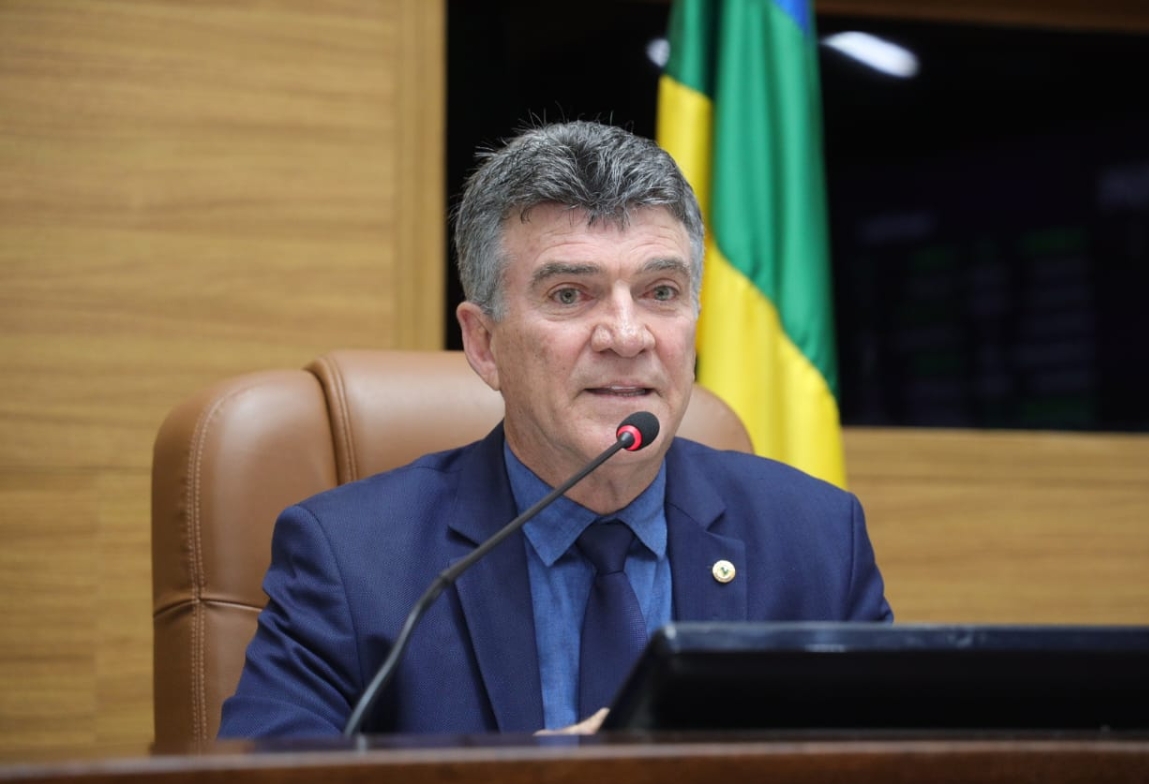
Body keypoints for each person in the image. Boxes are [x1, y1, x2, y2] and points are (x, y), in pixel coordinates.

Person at [218, 120, 891, 739]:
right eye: (570, 294)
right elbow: (263, 783)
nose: (627, 335)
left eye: (661, 292)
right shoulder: (353, 557)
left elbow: (901, 771)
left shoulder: (817, 539)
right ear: (484, 344)